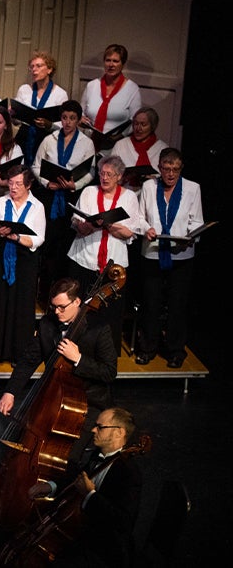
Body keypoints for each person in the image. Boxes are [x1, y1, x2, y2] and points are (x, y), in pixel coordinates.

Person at [23, 407, 143, 568]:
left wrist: (90, 494)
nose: (93, 430)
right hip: (81, 535)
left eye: (100, 427)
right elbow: (77, 480)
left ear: (119, 433)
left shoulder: (129, 473)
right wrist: (50, 486)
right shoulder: (96, 455)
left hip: (104, 550)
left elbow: (122, 523)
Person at [0, 278, 118, 417]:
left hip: (89, 403)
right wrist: (10, 392)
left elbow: (109, 372)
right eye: (53, 307)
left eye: (62, 307)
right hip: (55, 396)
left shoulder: (99, 328)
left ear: (77, 302)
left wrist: (78, 358)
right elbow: (28, 361)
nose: (56, 312)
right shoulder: (47, 324)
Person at [67, 155, 147, 352]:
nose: (104, 178)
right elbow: (77, 223)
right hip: (85, 258)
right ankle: (77, 350)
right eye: (102, 173)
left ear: (119, 176)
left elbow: (129, 232)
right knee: (82, 308)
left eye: (109, 174)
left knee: (110, 311)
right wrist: (88, 225)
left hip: (114, 266)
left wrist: (108, 224)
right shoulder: (88, 191)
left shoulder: (128, 197)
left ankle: (106, 354)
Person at [135, 148, 200, 368]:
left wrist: (190, 237)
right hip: (153, 251)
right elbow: (140, 217)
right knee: (150, 303)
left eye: (175, 169)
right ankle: (147, 348)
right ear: (159, 168)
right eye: (166, 168)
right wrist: (146, 228)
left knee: (177, 304)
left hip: (181, 255)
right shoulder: (149, 186)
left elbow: (197, 221)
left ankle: (174, 350)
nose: (170, 174)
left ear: (180, 169)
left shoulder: (192, 188)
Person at [0, 165, 45, 364]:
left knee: (22, 306)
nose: (14, 187)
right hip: (0, 257)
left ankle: (19, 353)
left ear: (28, 185)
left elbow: (38, 239)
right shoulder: (0, 202)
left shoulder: (37, 206)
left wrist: (16, 237)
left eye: (18, 184)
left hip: (24, 260)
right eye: (10, 183)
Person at [32, 101, 96, 284]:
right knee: (48, 242)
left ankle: (61, 286)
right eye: (65, 118)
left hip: (71, 197)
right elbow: (36, 165)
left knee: (64, 243)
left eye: (72, 118)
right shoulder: (49, 139)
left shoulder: (86, 143)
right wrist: (46, 182)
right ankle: (43, 286)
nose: (68, 122)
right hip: (50, 197)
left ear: (78, 120)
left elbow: (91, 171)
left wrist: (74, 185)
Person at [12, 51, 69, 165]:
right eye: (32, 66)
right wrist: (13, 115)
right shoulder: (24, 89)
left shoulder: (60, 94)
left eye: (38, 66)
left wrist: (49, 125)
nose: (34, 69)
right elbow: (16, 122)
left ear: (49, 69)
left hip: (46, 140)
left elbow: (64, 127)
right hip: (24, 138)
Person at [81, 44, 142, 148]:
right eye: (108, 60)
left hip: (117, 145)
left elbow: (135, 121)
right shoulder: (92, 85)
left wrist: (118, 137)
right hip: (89, 143)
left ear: (123, 64)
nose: (111, 65)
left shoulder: (132, 88)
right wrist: (81, 119)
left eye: (115, 61)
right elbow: (81, 112)